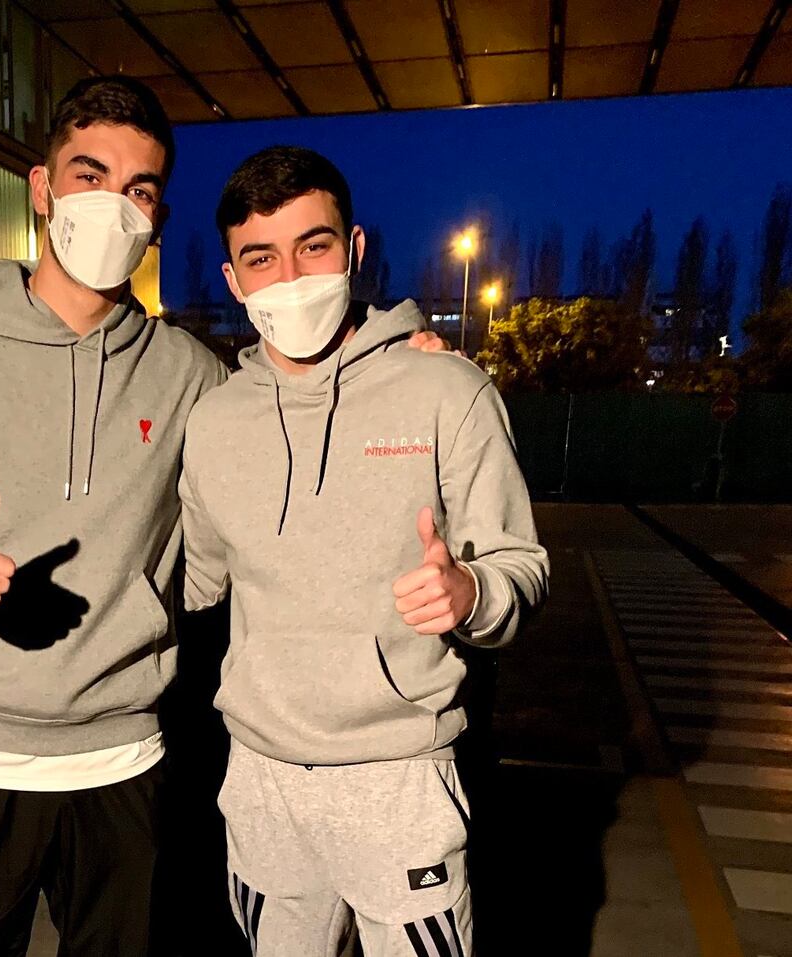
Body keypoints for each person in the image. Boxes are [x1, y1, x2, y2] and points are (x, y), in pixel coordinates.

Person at [0, 76, 445, 955]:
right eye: (90, 175)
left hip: (124, 765)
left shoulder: (187, 373)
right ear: (43, 188)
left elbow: (293, 397)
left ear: (157, 216)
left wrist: (390, 360)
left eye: (139, 189)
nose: (113, 206)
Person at [179, 145, 550, 956]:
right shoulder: (212, 421)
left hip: (400, 778)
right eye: (261, 258)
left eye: (312, 246)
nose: (290, 277)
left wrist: (470, 592)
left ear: (352, 249)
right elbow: (195, 582)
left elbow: (521, 564)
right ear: (232, 279)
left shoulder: (447, 390)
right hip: (262, 780)